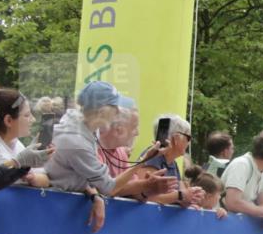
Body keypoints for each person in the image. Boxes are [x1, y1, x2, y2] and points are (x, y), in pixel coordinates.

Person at [45, 82, 176, 199]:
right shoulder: (78, 143)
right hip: (54, 204)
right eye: (115, 107)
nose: (118, 112)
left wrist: (95, 197)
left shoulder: (79, 126)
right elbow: (108, 188)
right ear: (102, 112)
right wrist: (143, 162)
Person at [136, 115, 206, 208]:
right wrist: (181, 196)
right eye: (188, 138)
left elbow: (181, 195)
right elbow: (146, 197)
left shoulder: (172, 163)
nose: (189, 143)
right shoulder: (152, 156)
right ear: (176, 138)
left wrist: (191, 198)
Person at [220, 128, 263, 231]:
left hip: (234, 227)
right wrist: (262, 212)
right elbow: (232, 202)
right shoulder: (242, 164)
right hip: (221, 225)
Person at [0, 87, 53, 186]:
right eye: (27, 115)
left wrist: (32, 177)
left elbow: (46, 180)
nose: (33, 119)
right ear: (8, 120)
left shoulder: (16, 144)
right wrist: (18, 162)